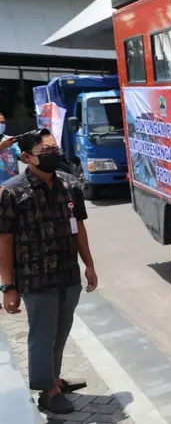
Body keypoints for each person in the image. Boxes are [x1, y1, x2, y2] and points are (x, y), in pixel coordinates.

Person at [0, 128, 97, 413]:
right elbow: (4, 241)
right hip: (34, 277)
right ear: (28, 157)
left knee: (62, 329)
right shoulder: (12, 191)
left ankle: (54, 378)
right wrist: (8, 286)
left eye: (56, 150)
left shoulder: (70, 186)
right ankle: (46, 392)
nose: (55, 155)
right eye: (47, 152)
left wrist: (89, 264)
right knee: (43, 334)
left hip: (67, 273)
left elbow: (78, 228)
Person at [0, 112, 22, 183]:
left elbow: (21, 156)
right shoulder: (6, 142)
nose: (1, 125)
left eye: (3, 123)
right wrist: (3, 146)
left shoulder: (10, 139)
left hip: (13, 184)